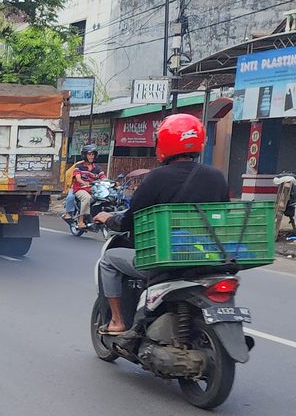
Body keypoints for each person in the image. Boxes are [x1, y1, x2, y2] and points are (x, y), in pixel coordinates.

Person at [93, 113, 228, 334]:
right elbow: (222, 216)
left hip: (164, 260)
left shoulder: (156, 178)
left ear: (163, 143)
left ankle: (117, 321)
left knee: (108, 260)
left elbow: (131, 219)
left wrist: (109, 218)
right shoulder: (216, 177)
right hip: (206, 257)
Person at [68, 144, 104, 229]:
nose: (91, 156)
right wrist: (85, 183)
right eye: (89, 154)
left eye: (93, 154)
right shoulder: (79, 167)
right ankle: (81, 221)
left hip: (93, 190)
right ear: (84, 155)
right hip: (80, 189)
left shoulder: (97, 168)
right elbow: (78, 178)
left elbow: (103, 178)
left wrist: (112, 183)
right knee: (87, 198)